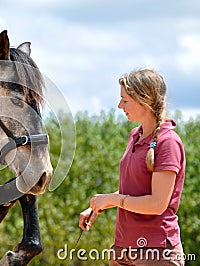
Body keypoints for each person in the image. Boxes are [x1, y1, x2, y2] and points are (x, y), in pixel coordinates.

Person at [79, 69, 186, 265]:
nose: (120, 105)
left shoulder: (168, 142)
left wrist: (114, 199)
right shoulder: (134, 136)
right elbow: (136, 190)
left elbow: (157, 204)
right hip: (122, 249)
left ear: (144, 99)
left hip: (156, 251)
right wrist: (100, 205)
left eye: (125, 100)